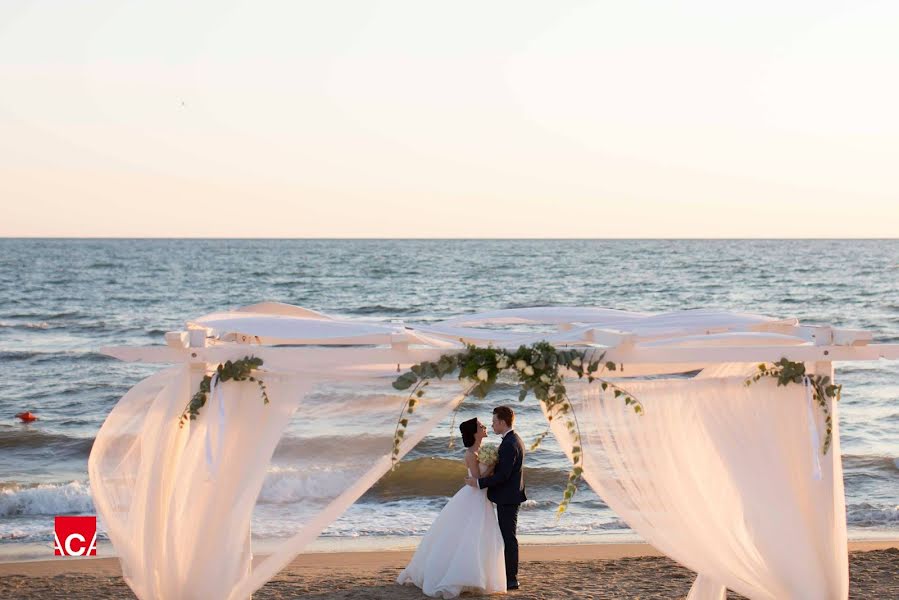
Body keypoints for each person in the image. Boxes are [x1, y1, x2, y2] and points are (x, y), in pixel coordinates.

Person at [397, 417, 507, 598]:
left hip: (482, 498)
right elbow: (478, 479)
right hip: (474, 497)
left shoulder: (482, 450)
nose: (485, 426)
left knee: (480, 536)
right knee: (470, 535)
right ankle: (459, 576)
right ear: (474, 432)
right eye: (480, 426)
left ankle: (477, 576)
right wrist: (493, 466)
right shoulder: (471, 454)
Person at [465, 406, 526, 590]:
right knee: (506, 536)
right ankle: (508, 576)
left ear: (501, 422)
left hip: (508, 497)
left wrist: (479, 483)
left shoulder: (509, 444)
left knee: (508, 538)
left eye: (493, 422)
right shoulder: (511, 440)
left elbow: (503, 476)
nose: (492, 425)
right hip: (509, 495)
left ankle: (511, 579)